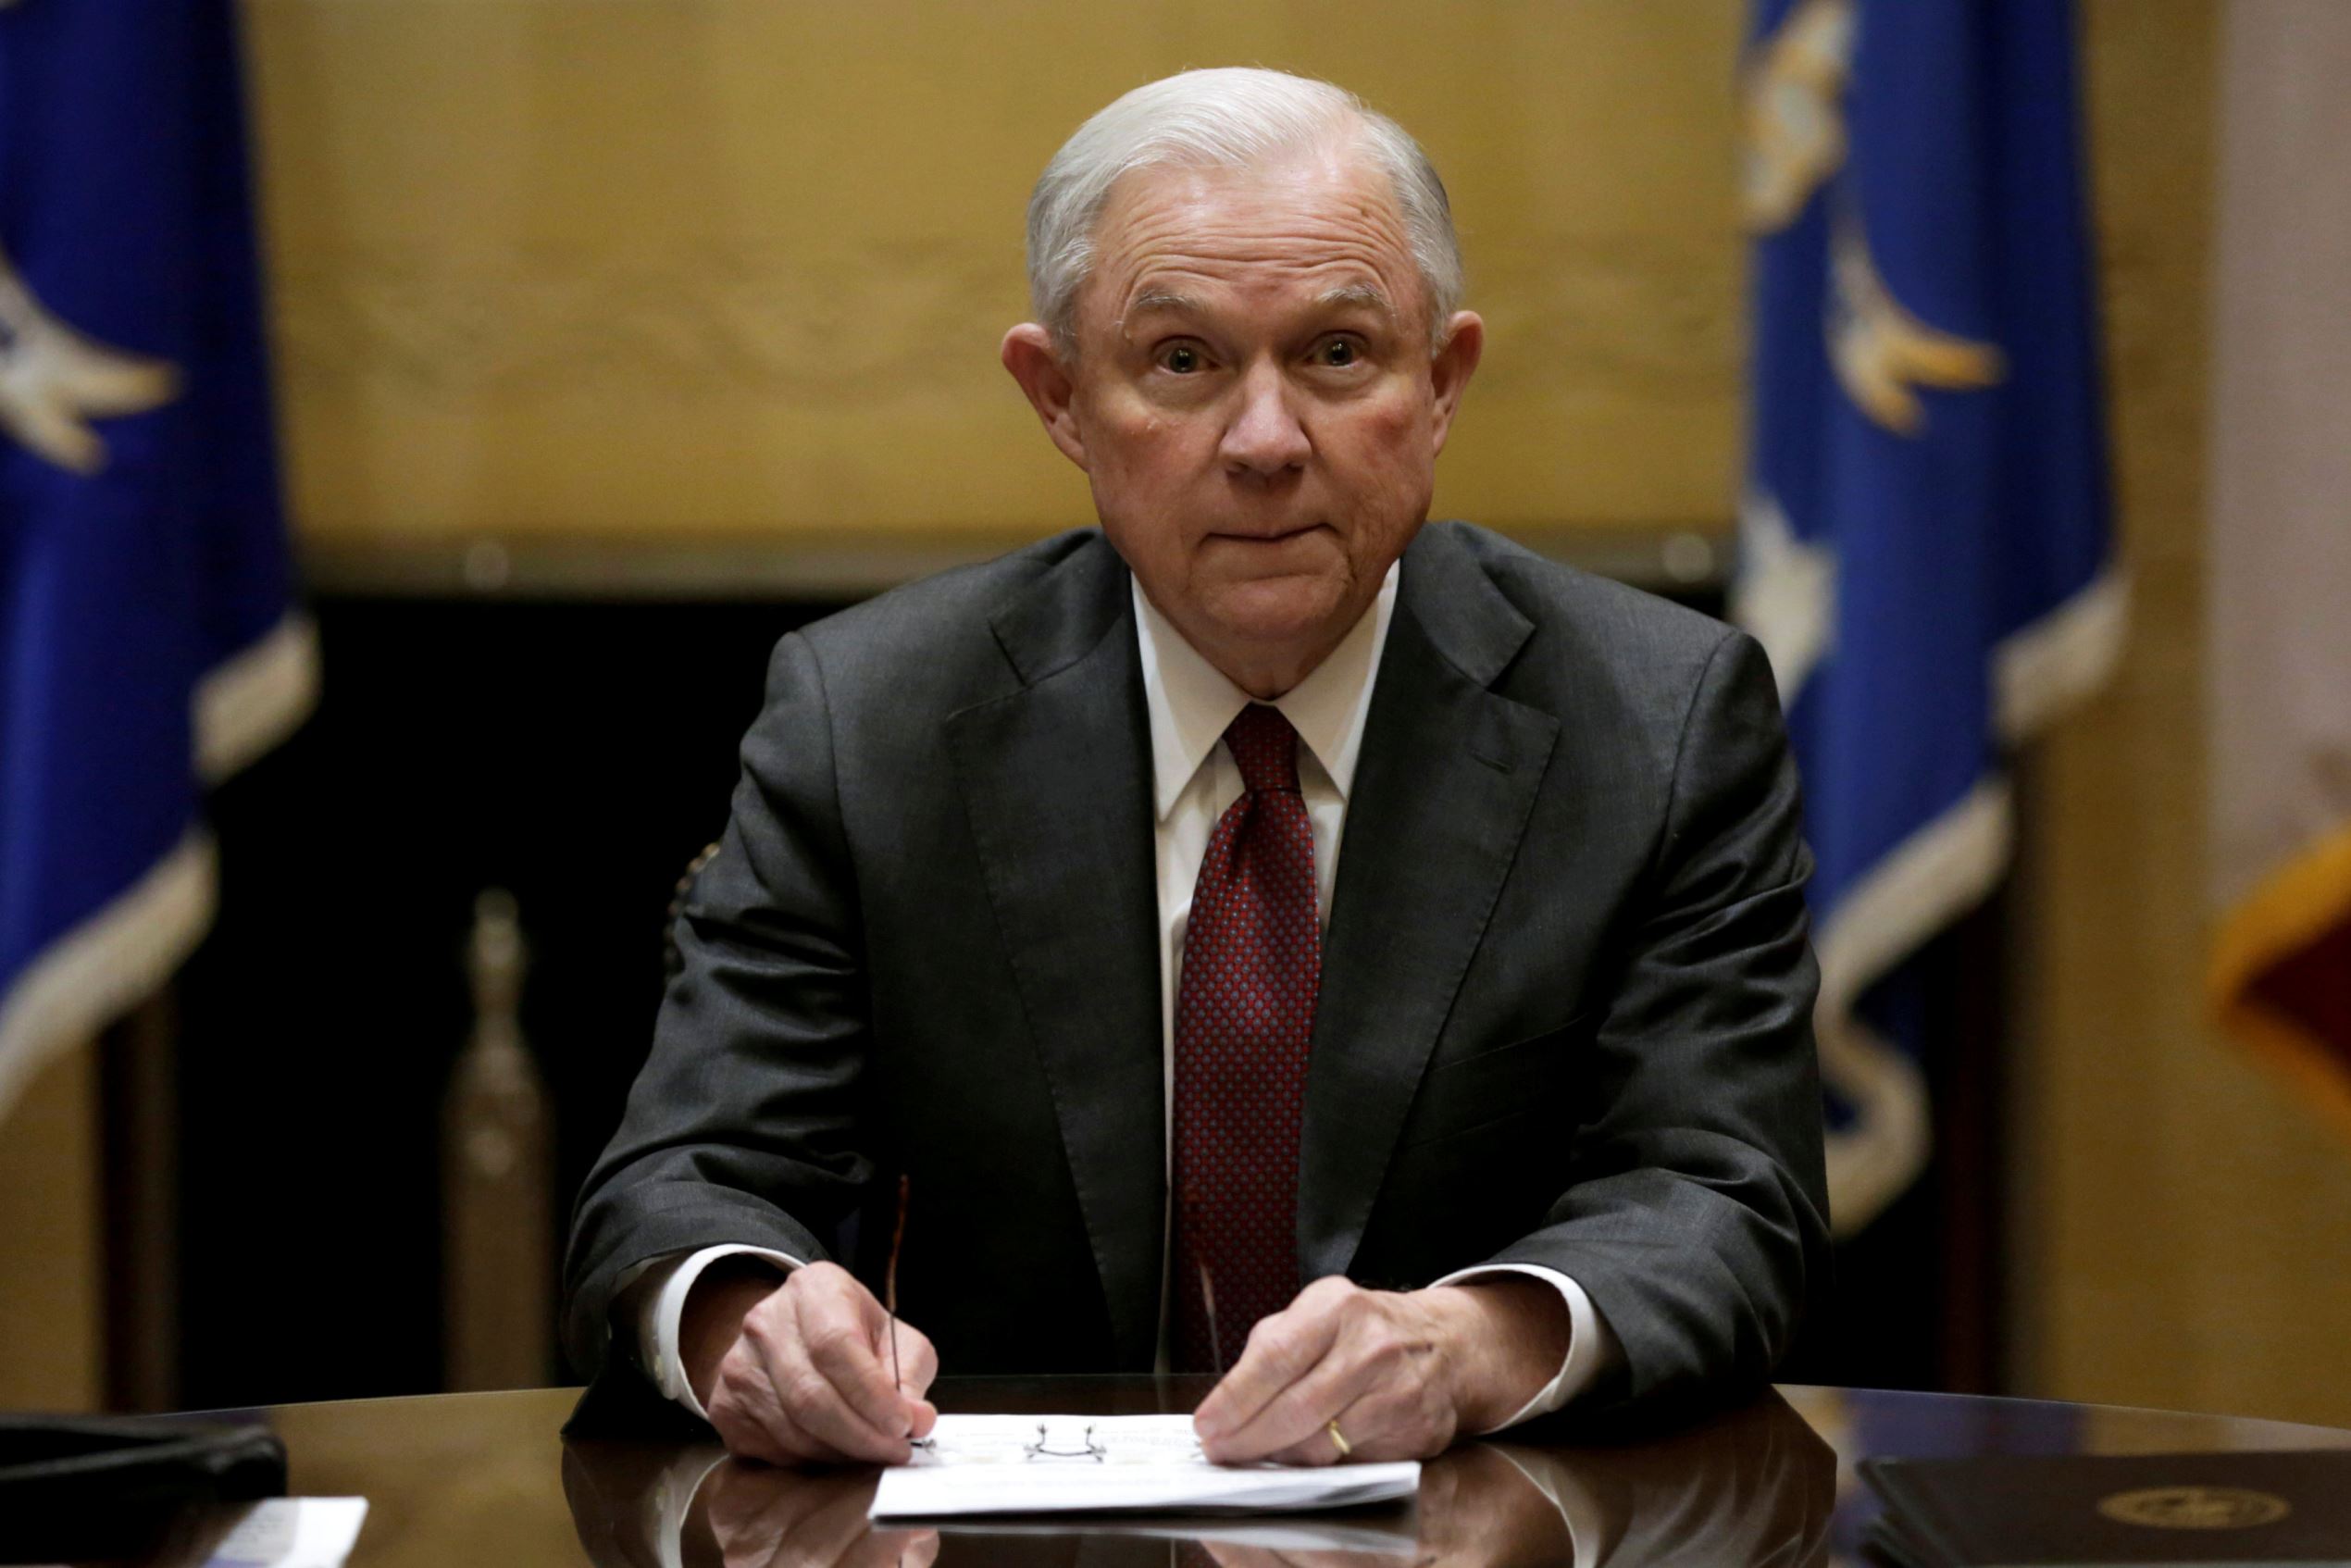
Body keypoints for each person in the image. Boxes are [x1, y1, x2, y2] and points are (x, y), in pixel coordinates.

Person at [562, 67, 1828, 1469]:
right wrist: (756, 1324)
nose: (1269, 441)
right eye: (1182, 361)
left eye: (1340, 353)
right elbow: (681, 1180)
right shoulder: (873, 722)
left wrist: (1464, 1345)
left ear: (1444, 382)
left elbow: (1725, 1192)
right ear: (1058, 398)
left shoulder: (1654, 721)